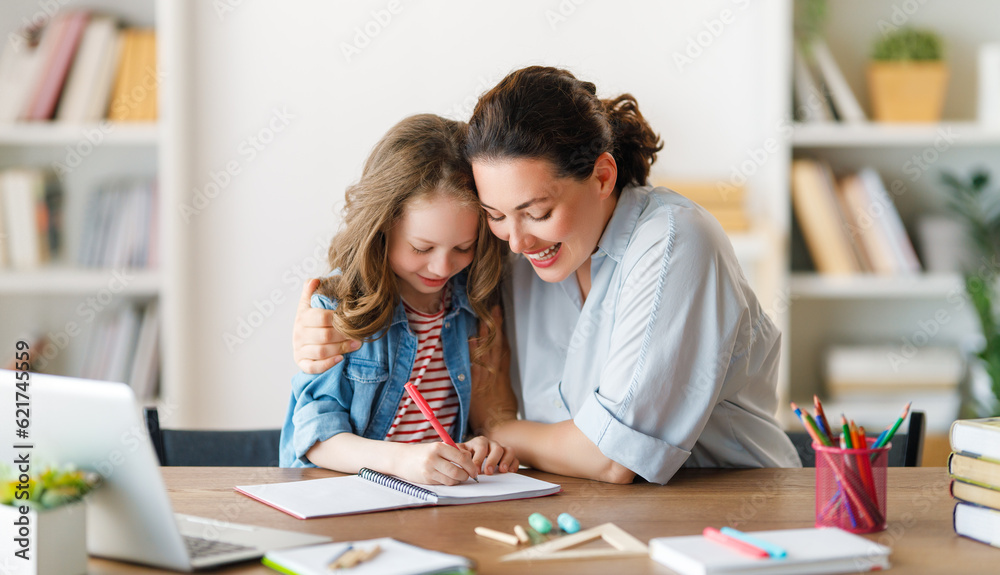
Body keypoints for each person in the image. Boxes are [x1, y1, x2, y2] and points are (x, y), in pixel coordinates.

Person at [293, 67, 801, 485]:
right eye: (494, 216)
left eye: (536, 213)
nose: (515, 241)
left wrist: (501, 430)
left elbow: (611, 458)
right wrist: (322, 324)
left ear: (603, 177)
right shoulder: (506, 256)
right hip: (572, 506)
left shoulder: (675, 241)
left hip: (723, 507)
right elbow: (404, 269)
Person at [279, 114, 518, 486]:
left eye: (462, 247)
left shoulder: (471, 303)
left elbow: (456, 427)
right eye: (421, 247)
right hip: (345, 500)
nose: (442, 267)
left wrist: (478, 448)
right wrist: (401, 459)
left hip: (436, 504)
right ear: (381, 228)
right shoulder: (339, 308)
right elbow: (315, 437)